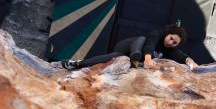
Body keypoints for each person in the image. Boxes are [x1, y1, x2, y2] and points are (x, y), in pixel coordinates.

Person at [57, 24, 198, 70]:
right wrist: (148, 57)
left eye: (174, 42)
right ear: (168, 34)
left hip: (134, 62)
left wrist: (189, 60)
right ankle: (77, 64)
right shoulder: (158, 34)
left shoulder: (171, 49)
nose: (170, 42)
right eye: (171, 38)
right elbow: (149, 44)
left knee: (125, 60)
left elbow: (179, 55)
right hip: (126, 48)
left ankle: (135, 60)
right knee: (140, 42)